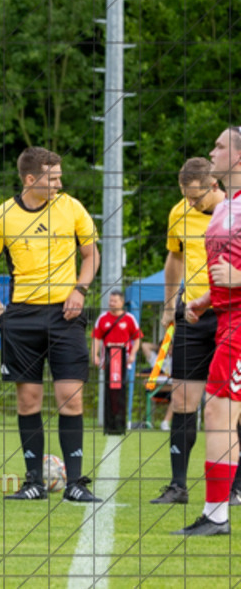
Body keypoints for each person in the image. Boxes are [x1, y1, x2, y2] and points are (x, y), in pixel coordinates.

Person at [0, 146, 101, 502]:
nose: (60, 183)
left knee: (70, 399)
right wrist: (1, 313)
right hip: (22, 319)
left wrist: (80, 289)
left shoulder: (72, 207)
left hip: (66, 316)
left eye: (61, 176)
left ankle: (75, 484)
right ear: (31, 180)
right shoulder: (2, 216)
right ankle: (33, 482)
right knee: (28, 400)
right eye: (54, 178)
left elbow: (91, 254)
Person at [176, 127, 241, 535]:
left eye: (220, 145)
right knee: (221, 411)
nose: (212, 150)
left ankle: (216, 515)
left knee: (218, 410)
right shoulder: (222, 208)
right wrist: (204, 301)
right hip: (227, 320)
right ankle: (216, 513)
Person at [150, 157, 224, 504]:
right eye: (186, 196)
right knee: (181, 399)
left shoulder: (234, 213)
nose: (190, 204)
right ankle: (178, 486)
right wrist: (169, 305)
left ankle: (234, 487)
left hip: (229, 315)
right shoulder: (179, 212)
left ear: (214, 185)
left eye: (196, 197)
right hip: (191, 317)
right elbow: (175, 260)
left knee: (228, 405)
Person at [92, 289, 142, 368]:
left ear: (122, 303)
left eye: (115, 301)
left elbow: (137, 338)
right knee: (108, 379)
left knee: (122, 379)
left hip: (125, 359)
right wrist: (94, 355)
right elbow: (96, 338)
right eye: (111, 301)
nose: (112, 303)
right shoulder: (102, 318)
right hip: (107, 358)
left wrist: (132, 354)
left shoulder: (130, 318)